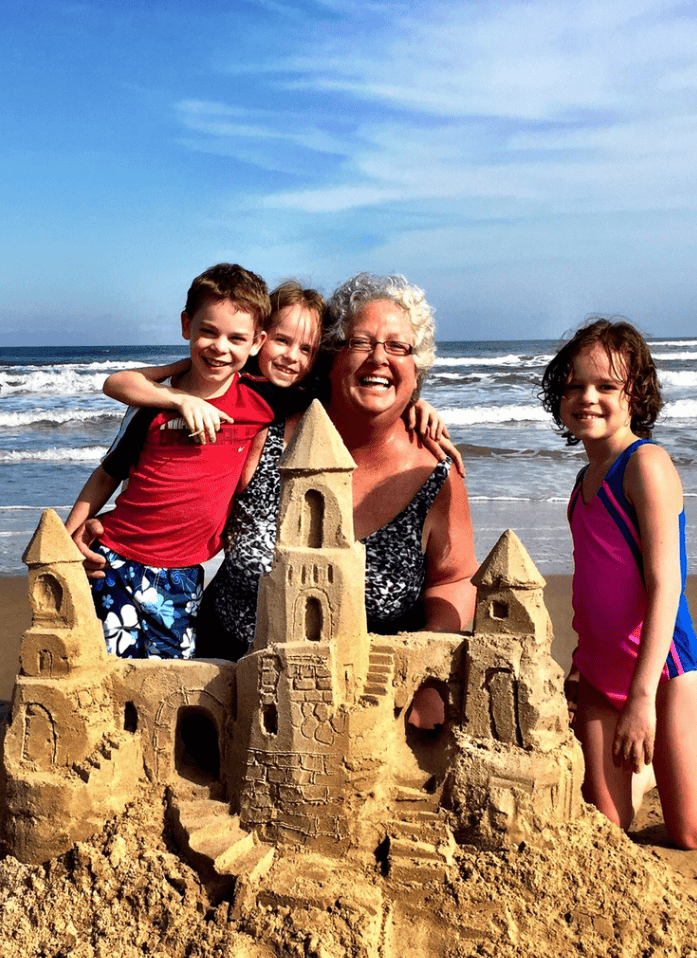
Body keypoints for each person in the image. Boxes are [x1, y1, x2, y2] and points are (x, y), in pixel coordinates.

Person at [540, 318, 697, 849]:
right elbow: (593, 586)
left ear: (635, 394)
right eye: (574, 385)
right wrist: (579, 667)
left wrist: (643, 700)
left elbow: (666, 586)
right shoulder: (583, 481)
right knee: (607, 830)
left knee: (692, 830)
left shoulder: (645, 465)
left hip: (662, 673)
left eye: (605, 386)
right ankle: (643, 772)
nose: (587, 397)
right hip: (600, 676)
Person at [197, 273, 478, 697]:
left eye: (398, 347)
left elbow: (454, 579)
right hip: (226, 687)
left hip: (366, 701)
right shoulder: (262, 436)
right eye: (361, 342)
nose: (379, 358)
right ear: (331, 358)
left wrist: (427, 668)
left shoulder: (435, 471)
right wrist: (114, 531)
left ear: (415, 368)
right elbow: (184, 501)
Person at [64, 264, 306, 659]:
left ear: (257, 342)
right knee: (107, 671)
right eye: (208, 331)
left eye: (236, 338)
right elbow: (107, 470)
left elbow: (339, 390)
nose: (220, 347)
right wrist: (65, 541)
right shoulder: (152, 406)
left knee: (168, 680)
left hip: (184, 573)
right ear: (186, 325)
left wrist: (418, 409)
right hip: (114, 559)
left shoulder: (261, 400)